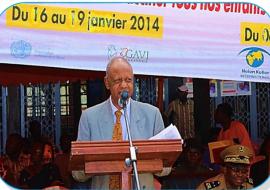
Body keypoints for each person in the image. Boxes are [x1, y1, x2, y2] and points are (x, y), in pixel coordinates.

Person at [73, 56, 165, 189]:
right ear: (107, 82)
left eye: (128, 80)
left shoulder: (152, 115)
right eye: (117, 80)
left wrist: (149, 161)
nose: (124, 85)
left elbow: (166, 167)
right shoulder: (89, 117)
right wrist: (99, 163)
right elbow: (78, 173)